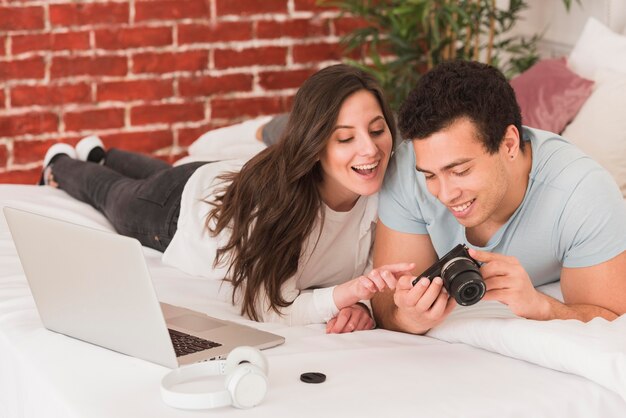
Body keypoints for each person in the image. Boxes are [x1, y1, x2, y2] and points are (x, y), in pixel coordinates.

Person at [39, 64, 415, 333]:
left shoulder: (386, 187)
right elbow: (268, 308)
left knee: (157, 172)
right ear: (315, 146)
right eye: (346, 138)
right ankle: (60, 162)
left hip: (225, 177)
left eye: (378, 130)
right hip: (181, 207)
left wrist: (364, 305)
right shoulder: (280, 207)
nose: (370, 150)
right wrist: (348, 294)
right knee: (113, 195)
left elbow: (380, 272)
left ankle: (103, 154)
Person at [371, 60, 626, 335]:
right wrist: (410, 318)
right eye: (430, 176)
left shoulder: (582, 192)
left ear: (509, 144)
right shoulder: (409, 169)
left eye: (460, 170)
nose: (444, 194)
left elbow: (611, 322)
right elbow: (384, 304)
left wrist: (540, 306)